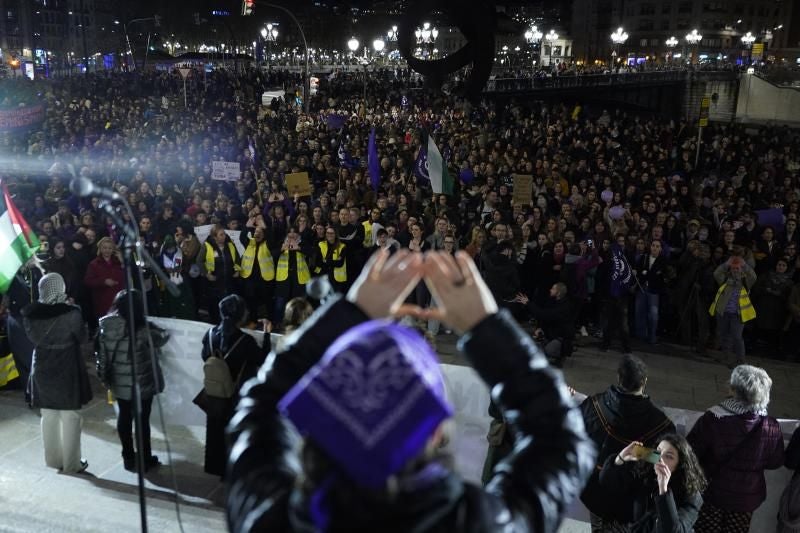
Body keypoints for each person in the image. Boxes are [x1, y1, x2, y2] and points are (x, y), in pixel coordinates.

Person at [225, 250, 595, 532]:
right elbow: (562, 441)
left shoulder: (270, 517)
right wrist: (486, 327)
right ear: (437, 431)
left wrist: (349, 315)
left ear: (317, 418)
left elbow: (259, 407)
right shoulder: (485, 523)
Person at [579, 354, 676, 531]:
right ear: (644, 381)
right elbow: (662, 460)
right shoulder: (661, 424)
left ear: (619, 378)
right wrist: (638, 452)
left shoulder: (593, 405)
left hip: (596, 492)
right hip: (631, 502)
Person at [687, 364, 785, 533]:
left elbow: (691, 453)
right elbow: (775, 462)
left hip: (712, 494)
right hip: (746, 499)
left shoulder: (713, 418)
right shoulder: (771, 426)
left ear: (734, 391)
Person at [21, 273, 91, 474]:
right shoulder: (72, 313)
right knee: (70, 416)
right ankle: (72, 464)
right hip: (66, 367)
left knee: (48, 414)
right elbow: (82, 337)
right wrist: (73, 308)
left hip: (41, 367)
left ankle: (53, 460)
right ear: (60, 287)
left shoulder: (30, 315)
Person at [96, 289, 169, 472]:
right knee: (142, 421)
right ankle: (145, 458)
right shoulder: (142, 329)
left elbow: (102, 357)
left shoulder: (106, 325)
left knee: (124, 417)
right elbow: (162, 339)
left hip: (119, 383)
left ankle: (128, 458)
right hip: (142, 383)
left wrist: (104, 377)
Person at [200, 295, 269, 477]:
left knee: (214, 430)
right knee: (233, 433)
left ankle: (214, 466)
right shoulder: (245, 341)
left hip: (214, 393)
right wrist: (267, 334)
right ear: (241, 316)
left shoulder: (209, 335)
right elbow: (263, 360)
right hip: (236, 395)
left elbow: (205, 356)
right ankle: (229, 471)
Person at [599, 433, 706, 532]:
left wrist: (663, 490)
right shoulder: (646, 474)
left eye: (669, 456)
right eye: (658, 451)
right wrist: (620, 458)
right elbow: (608, 483)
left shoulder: (691, 496)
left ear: (680, 465)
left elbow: (673, 530)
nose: (660, 458)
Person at [709, 256, 757, 367]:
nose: (735, 270)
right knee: (723, 335)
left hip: (738, 314)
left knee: (737, 337)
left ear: (741, 269)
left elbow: (753, 276)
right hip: (723, 312)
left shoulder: (746, 281)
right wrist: (727, 263)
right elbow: (716, 273)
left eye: (738, 268)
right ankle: (725, 357)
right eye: (733, 268)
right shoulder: (725, 279)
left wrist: (744, 264)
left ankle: (741, 360)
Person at [514, 282, 574, 367]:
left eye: (553, 289)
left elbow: (544, 314)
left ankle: (560, 355)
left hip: (561, 336)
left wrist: (528, 303)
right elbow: (543, 315)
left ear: (559, 293)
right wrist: (539, 327)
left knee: (548, 350)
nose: (550, 290)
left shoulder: (564, 306)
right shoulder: (553, 301)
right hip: (552, 332)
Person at [199, 226, 241, 324]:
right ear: (214, 237)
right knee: (215, 306)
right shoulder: (207, 246)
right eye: (221, 235)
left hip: (229, 281)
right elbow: (199, 261)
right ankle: (216, 324)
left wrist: (237, 270)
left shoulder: (230, 245)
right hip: (214, 283)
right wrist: (207, 274)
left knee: (229, 304)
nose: (224, 236)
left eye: (224, 234)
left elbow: (237, 259)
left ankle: (229, 323)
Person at [238, 225, 275, 321]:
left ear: (264, 235)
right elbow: (242, 236)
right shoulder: (249, 243)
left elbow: (271, 237)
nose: (257, 234)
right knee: (251, 301)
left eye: (260, 232)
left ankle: (271, 320)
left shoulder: (268, 244)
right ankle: (253, 320)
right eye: (256, 232)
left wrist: (264, 227)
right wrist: (248, 227)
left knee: (268, 301)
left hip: (264, 279)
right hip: (250, 278)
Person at [83, 236, 124, 320]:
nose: (107, 250)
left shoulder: (118, 262)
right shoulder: (94, 264)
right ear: (100, 249)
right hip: (102, 301)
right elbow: (88, 281)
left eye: (110, 248)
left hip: (118, 301)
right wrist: (103, 282)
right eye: (104, 248)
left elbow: (127, 276)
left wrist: (122, 261)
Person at [314, 226, 347, 293]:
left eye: (332, 233)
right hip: (322, 275)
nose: (329, 235)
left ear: (336, 234)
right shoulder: (320, 244)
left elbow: (339, 263)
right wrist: (332, 262)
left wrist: (325, 261)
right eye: (328, 233)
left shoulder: (342, 246)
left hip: (337, 279)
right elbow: (317, 262)